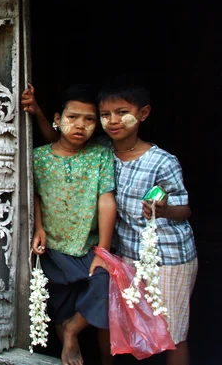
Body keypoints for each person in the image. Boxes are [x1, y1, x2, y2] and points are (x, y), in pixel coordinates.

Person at [97, 80, 196, 365]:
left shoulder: (162, 162)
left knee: (171, 334)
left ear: (143, 113)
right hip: (125, 253)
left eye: (122, 112)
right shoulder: (102, 153)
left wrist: (163, 211)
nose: (113, 121)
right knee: (123, 326)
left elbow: (185, 210)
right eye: (106, 114)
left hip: (167, 257)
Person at [32, 85, 117, 365]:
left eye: (89, 119)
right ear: (58, 119)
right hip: (54, 246)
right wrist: (39, 226)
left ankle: (72, 331)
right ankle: (67, 342)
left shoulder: (100, 155)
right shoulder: (38, 157)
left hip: (89, 246)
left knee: (105, 285)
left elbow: (106, 199)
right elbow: (34, 194)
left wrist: (103, 252)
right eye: (73, 117)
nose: (80, 125)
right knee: (58, 304)